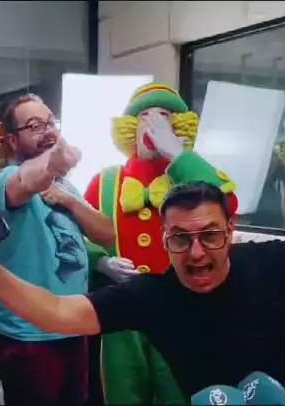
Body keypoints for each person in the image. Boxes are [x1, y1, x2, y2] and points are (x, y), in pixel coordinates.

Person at [0, 181, 285, 405]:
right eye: (180, 238)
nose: (196, 253)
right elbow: (59, 311)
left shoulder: (276, 260)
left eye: (210, 235)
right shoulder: (152, 296)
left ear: (230, 231)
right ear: (164, 240)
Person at [84, 83, 238, 405]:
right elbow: (78, 236)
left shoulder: (191, 176)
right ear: (130, 126)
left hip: (183, 308)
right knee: (122, 392)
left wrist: (178, 155)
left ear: (178, 126)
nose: (153, 123)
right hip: (123, 310)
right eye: (144, 116)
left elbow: (228, 202)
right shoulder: (105, 181)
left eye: (164, 116)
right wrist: (101, 261)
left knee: (182, 390)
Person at [0, 93, 115, 405]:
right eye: (34, 126)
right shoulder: (4, 181)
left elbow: (107, 233)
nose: (47, 131)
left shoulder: (67, 188)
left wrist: (68, 200)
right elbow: (27, 181)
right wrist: (50, 164)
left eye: (50, 123)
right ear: (13, 141)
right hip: (29, 337)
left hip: (73, 327)